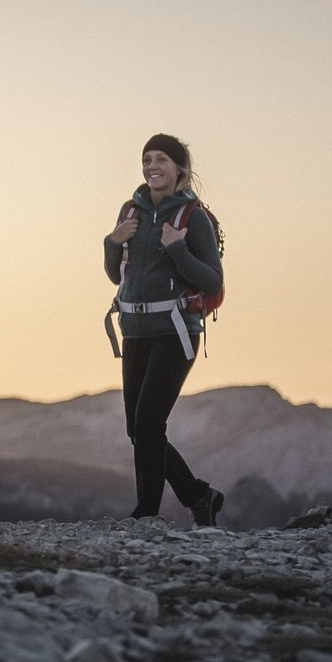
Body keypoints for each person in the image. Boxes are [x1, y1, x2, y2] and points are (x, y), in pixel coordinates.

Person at [104, 134, 225, 525]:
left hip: (176, 331)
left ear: (179, 169)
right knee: (137, 429)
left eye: (160, 160)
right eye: (146, 159)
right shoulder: (130, 211)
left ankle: (147, 513)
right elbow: (114, 274)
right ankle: (199, 495)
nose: (151, 166)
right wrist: (111, 241)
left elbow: (212, 281)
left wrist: (177, 248)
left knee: (149, 421)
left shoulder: (194, 217)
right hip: (135, 330)